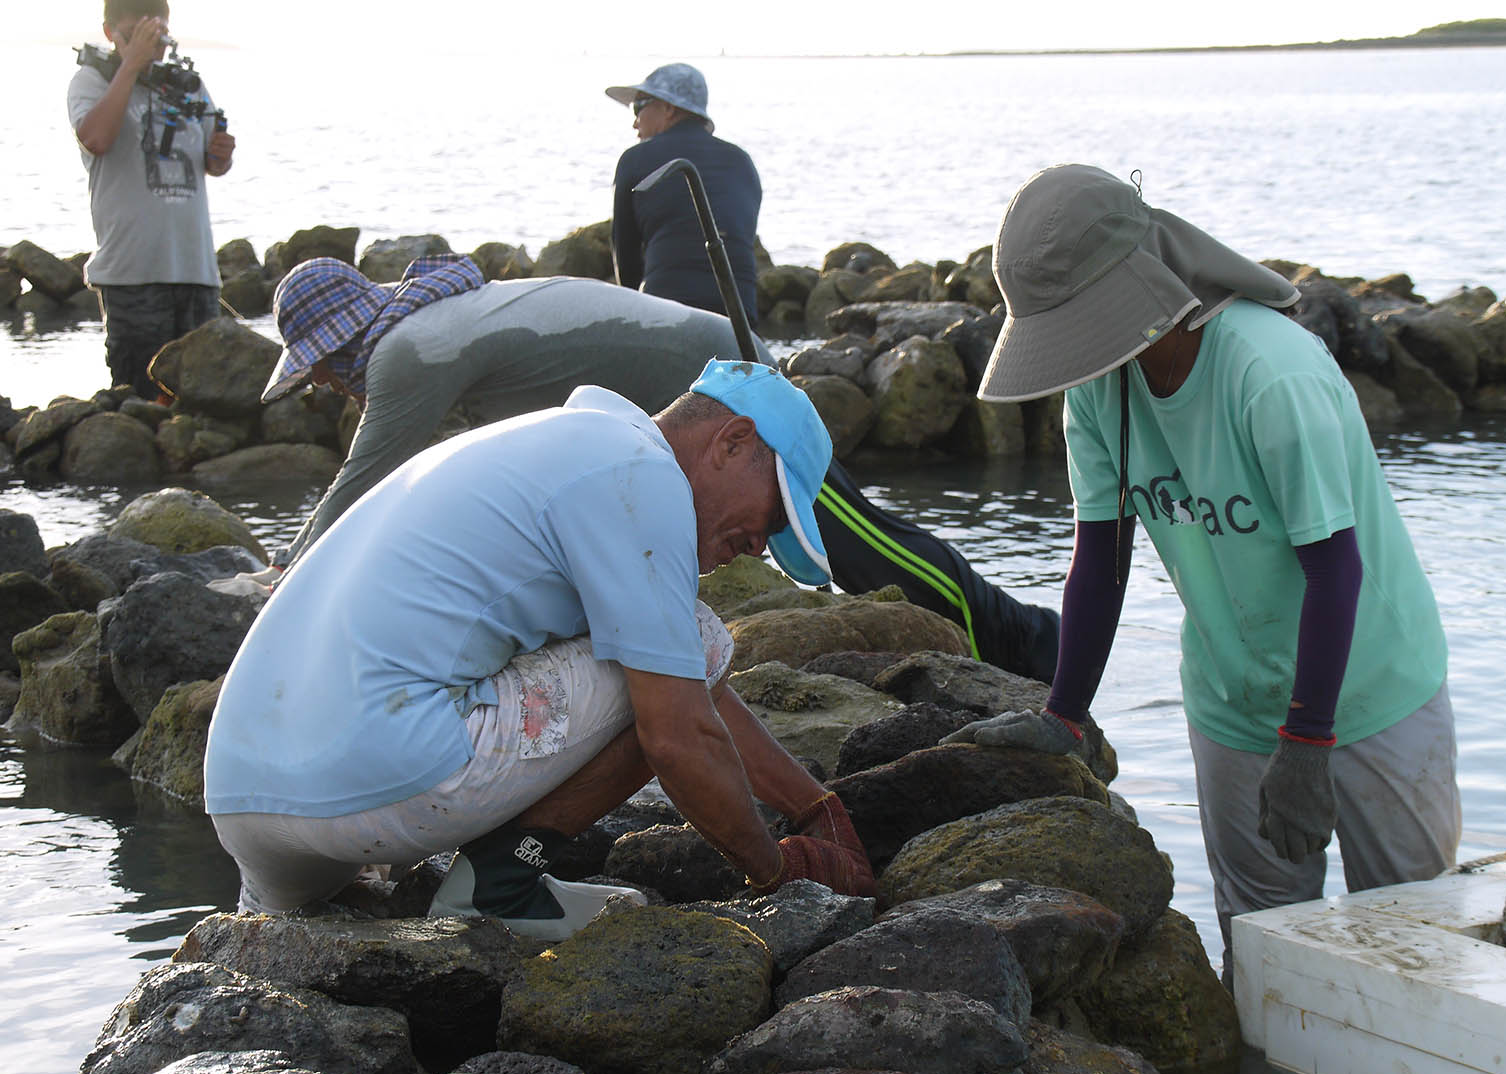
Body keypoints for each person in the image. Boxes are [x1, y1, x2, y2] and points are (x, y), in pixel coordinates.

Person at [948, 165, 1460, 979]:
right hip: (1232, 697)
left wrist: (1309, 739)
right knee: (1263, 957)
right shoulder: (1100, 389)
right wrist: (1064, 715)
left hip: (1373, 690)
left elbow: (1335, 568)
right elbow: (1100, 558)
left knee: (1416, 951)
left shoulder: (1270, 372)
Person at [203, 360, 876, 936]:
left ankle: (263, 926)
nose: (760, 546)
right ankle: (499, 884)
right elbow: (679, 734)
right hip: (376, 782)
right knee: (695, 642)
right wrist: (778, 872)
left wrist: (814, 807)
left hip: (243, 801)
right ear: (732, 441)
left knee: (668, 650)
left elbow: (695, 698)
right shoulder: (641, 477)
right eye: (774, 516)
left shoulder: (564, 440)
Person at [223, 254, 1061, 682]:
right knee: (845, 536)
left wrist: (282, 580)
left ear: (344, 339)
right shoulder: (432, 328)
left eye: (318, 367)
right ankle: (1024, 634)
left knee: (855, 540)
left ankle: (1026, 640)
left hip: (719, 388)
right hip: (690, 387)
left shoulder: (408, 352)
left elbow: (365, 481)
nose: (322, 385)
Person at [68, 0, 235, 399]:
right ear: (109, 33)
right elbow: (96, 138)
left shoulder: (187, 84)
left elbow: (213, 164)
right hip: (132, 275)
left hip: (195, 271)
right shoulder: (92, 79)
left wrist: (222, 154)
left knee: (205, 402)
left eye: (158, 36)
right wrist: (131, 64)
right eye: (136, 35)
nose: (151, 47)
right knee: (141, 401)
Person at [606, 63, 760, 320]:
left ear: (669, 108)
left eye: (638, 107)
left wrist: (633, 321)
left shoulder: (634, 159)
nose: (635, 123)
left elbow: (627, 259)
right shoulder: (742, 161)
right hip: (739, 316)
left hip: (667, 314)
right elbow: (742, 236)